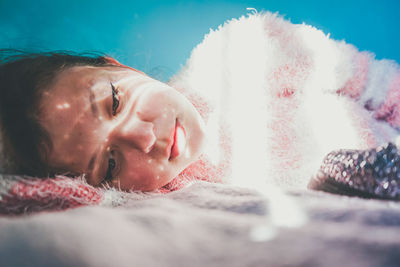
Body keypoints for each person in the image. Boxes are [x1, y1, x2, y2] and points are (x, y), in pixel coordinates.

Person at [1, 12, 400, 197]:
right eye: (109, 163)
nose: (143, 137)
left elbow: (379, 86)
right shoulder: (163, 200)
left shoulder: (248, 49)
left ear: (117, 65)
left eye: (114, 101)